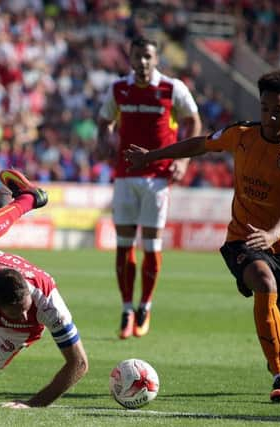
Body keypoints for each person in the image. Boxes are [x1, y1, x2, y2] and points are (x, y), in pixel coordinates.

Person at [125, 70, 280, 402]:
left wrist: (271, 234)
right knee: (263, 282)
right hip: (241, 239)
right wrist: (152, 156)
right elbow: (200, 144)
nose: (270, 116)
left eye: (278, 111)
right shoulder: (241, 134)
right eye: (265, 108)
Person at [0, 169, 88, 408]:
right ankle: (28, 198)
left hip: (13, 332)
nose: (25, 316)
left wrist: (33, 404)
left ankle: (27, 199)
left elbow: (79, 364)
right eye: (17, 312)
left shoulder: (46, 300)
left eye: (26, 307)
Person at [98, 35, 202, 339]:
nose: (143, 62)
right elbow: (104, 121)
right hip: (125, 175)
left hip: (157, 177)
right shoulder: (118, 89)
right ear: (129, 58)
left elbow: (193, 122)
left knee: (151, 244)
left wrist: (183, 161)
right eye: (137, 56)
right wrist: (104, 139)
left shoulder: (172, 89)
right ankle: (127, 308)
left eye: (148, 57)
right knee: (124, 244)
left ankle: (145, 305)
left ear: (156, 59)